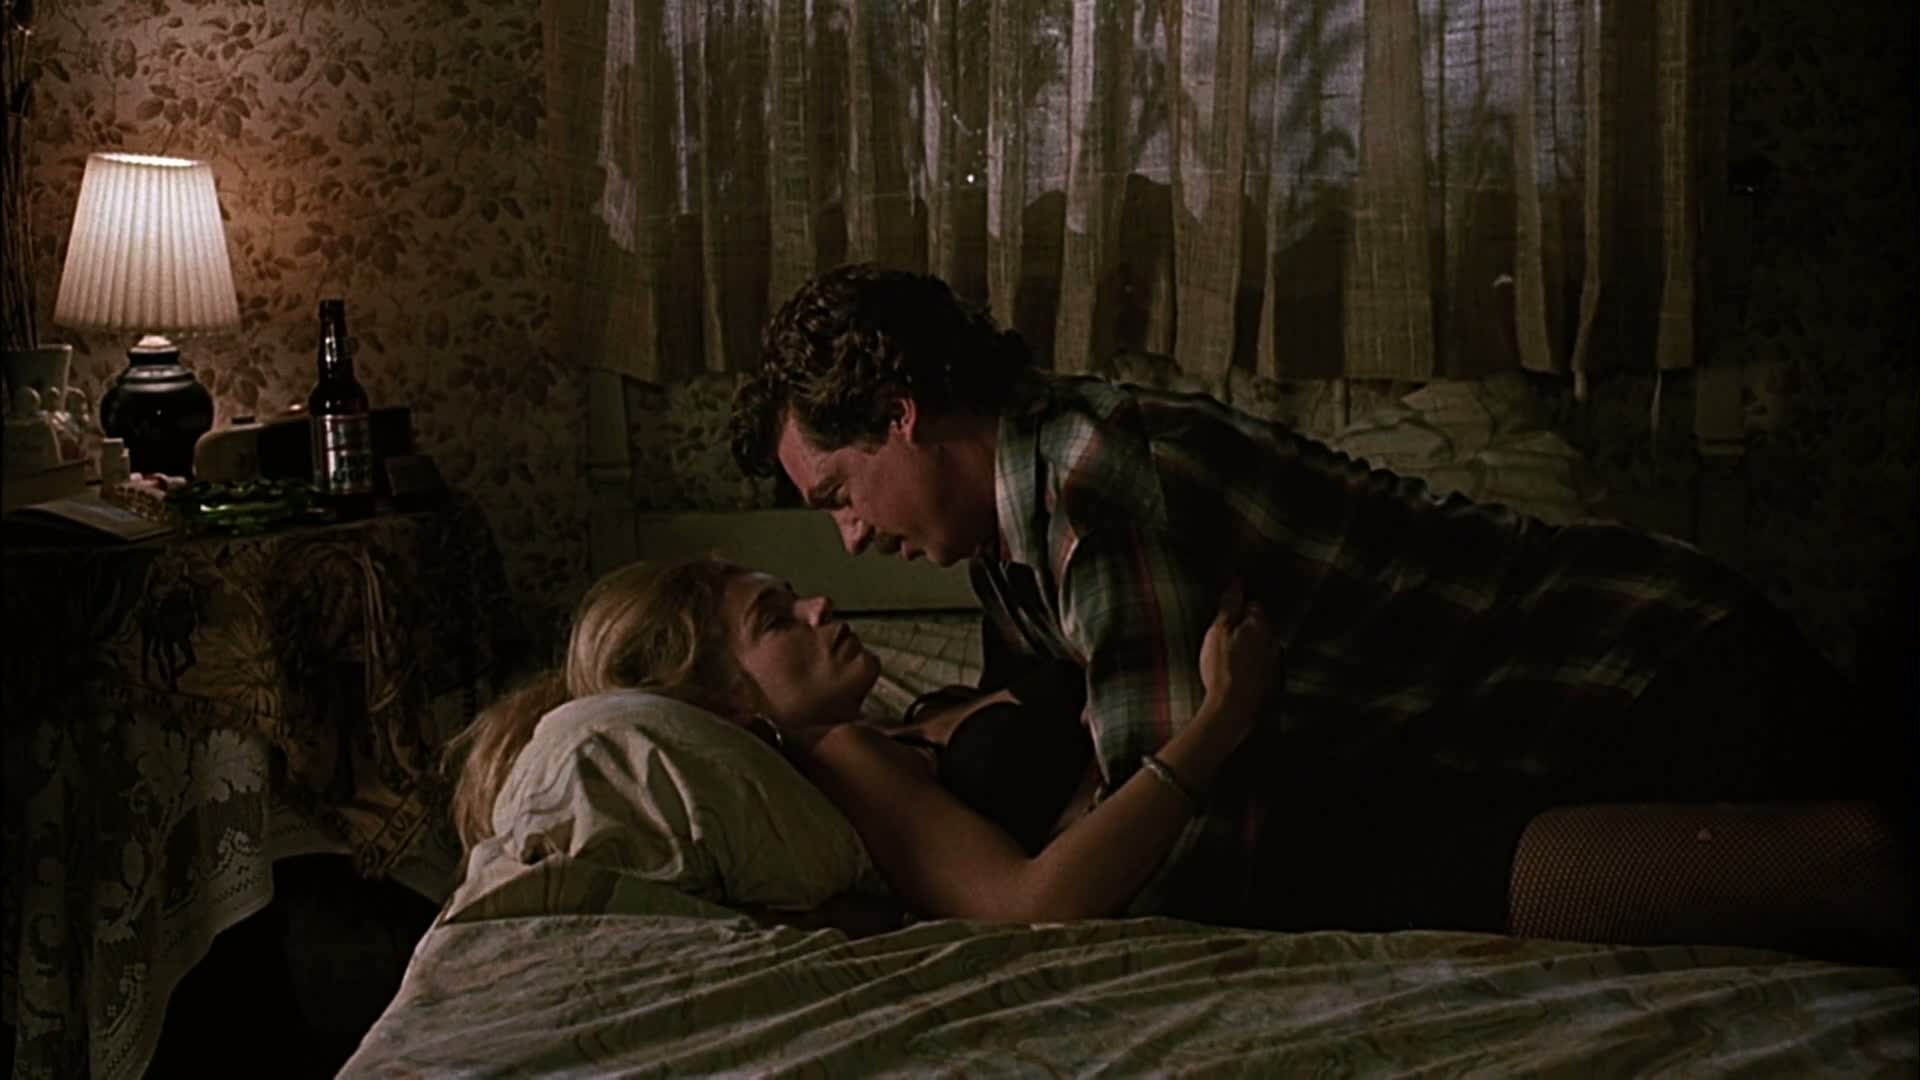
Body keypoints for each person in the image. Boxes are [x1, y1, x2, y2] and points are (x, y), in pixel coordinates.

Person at [726, 263, 1916, 963]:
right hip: (1525, 732)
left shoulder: (1093, 489)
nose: (849, 537)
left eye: (839, 495)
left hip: (1636, 668)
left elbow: (1178, 857)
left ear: (900, 417)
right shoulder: (1001, 541)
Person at [446, 556, 1282, 927]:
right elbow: (1033, 906)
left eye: (795, 595)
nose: (820, 607)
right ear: (729, 703)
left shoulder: (887, 726)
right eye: (777, 620)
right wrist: (1221, 720)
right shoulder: (844, 757)